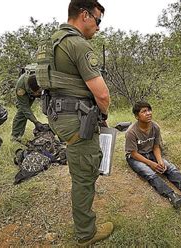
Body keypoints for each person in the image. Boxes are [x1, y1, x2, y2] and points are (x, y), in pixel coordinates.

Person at [39, 0, 112, 246]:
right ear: (85, 15)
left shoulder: (51, 42)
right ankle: (86, 233)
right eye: (98, 20)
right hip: (78, 121)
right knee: (84, 175)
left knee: (81, 169)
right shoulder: (77, 44)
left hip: (59, 116)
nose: (99, 28)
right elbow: (102, 95)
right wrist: (103, 114)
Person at [125, 101, 181, 209]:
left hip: (151, 152)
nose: (148, 113)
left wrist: (159, 161)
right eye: (144, 111)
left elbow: (156, 147)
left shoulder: (155, 127)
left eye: (149, 110)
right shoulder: (131, 132)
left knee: (168, 167)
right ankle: (172, 195)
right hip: (135, 157)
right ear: (137, 116)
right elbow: (134, 153)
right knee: (149, 173)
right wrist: (151, 164)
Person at [11, 68, 45, 141]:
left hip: (41, 87)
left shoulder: (44, 78)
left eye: (39, 92)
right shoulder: (21, 88)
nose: (38, 95)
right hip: (26, 93)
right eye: (37, 93)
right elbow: (25, 107)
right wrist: (36, 122)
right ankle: (16, 137)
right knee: (21, 113)